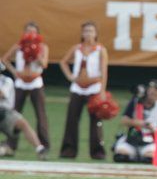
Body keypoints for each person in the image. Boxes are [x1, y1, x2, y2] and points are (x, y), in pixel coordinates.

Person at [58, 21, 109, 159]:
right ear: (82, 33)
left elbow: (104, 71)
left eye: (91, 31)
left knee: (95, 121)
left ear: (96, 33)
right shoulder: (76, 48)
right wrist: (70, 76)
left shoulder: (100, 50)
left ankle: (97, 152)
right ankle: (69, 150)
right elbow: (63, 62)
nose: (88, 34)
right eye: (85, 31)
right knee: (72, 119)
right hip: (77, 88)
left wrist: (102, 91)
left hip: (94, 87)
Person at [1, 21, 51, 152]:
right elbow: (5, 58)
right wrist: (14, 72)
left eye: (33, 31)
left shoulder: (42, 46)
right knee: (14, 113)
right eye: (28, 31)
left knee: (40, 114)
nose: (30, 33)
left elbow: (44, 64)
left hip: (35, 82)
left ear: (37, 33)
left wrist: (36, 53)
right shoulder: (19, 46)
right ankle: (11, 145)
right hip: (21, 82)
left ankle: (44, 144)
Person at [113, 80, 157, 163]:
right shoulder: (136, 102)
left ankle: (139, 157)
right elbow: (124, 120)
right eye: (152, 92)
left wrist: (153, 130)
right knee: (121, 156)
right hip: (131, 140)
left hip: (149, 142)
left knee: (149, 158)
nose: (153, 95)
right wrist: (139, 123)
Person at [0, 71, 48, 159]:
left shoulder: (6, 81)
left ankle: (40, 149)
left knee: (23, 123)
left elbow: (2, 94)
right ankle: (4, 148)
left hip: (5, 111)